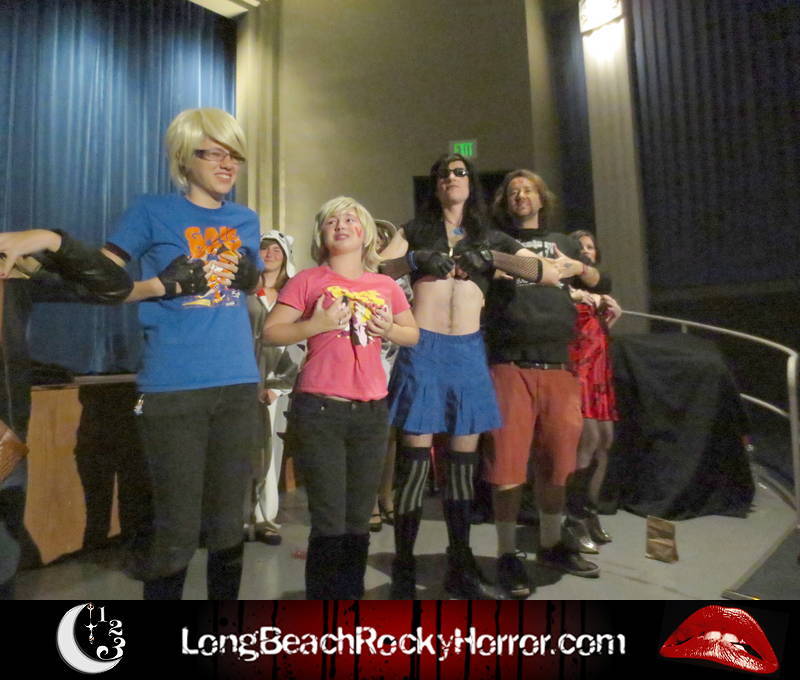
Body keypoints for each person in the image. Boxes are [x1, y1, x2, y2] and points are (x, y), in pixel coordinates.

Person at [378, 154, 559, 599]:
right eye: (443, 173)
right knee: (414, 468)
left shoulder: (489, 235)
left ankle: (460, 561)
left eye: (460, 172)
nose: (451, 178)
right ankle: (404, 565)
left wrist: (492, 256)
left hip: (468, 353)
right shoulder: (414, 230)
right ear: (435, 184)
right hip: (422, 351)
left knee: (462, 469)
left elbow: (546, 272)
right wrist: (415, 258)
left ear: (471, 182)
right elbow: (377, 270)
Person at [103, 107, 262, 600]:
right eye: (214, 153)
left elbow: (249, 289)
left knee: (228, 527)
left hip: (237, 383)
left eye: (234, 155)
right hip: (174, 388)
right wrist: (159, 285)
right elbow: (100, 284)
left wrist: (253, 280)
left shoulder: (246, 220)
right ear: (184, 158)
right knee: (176, 530)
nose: (227, 164)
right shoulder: (151, 211)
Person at [263, 196, 418, 600]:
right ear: (321, 234)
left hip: (371, 412)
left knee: (358, 521)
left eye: (350, 219)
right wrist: (316, 324)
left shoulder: (384, 285)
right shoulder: (308, 280)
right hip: (320, 410)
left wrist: (388, 329)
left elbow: (412, 333)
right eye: (332, 220)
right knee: (330, 521)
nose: (341, 225)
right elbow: (271, 332)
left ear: (365, 234)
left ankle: (350, 603)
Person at [483, 169, 611, 599]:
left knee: (558, 465)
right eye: (513, 191)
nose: (521, 195)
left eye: (528, 190)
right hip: (510, 365)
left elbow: (603, 281)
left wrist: (579, 268)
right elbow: (483, 273)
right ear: (506, 202)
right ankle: (506, 554)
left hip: (559, 367)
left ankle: (552, 544)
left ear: (542, 199)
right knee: (507, 467)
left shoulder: (566, 243)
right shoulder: (496, 242)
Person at [0, 229, 133, 599]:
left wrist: (52, 239)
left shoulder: (10, 264)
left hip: (3, 448)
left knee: (4, 567)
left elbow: (112, 287)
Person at [246, 230, 302, 546]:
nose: (269, 254)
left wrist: (280, 386)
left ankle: (265, 518)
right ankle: (238, 518)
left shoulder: (291, 296)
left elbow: (299, 342)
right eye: (264, 248)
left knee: (268, 454)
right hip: (242, 379)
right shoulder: (244, 292)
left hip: (274, 383)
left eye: (276, 250)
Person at [566, 230, 622, 547]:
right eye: (580, 247)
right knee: (587, 442)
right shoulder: (565, 289)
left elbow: (598, 335)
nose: (586, 251)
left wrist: (612, 317)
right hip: (579, 371)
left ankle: (589, 511)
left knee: (605, 443)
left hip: (600, 373)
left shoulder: (598, 289)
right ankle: (574, 518)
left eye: (590, 247)